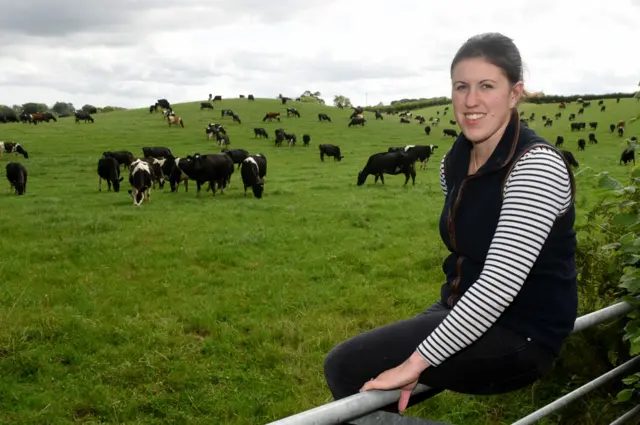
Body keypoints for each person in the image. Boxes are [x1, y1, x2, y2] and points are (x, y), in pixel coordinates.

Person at [323, 32, 578, 414]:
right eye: (461, 87)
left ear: (514, 94)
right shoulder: (453, 163)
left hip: (523, 333)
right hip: (461, 306)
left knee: (345, 367)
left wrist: (416, 362)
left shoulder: (535, 166)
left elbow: (499, 284)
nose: (470, 100)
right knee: (369, 384)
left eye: (486, 86)